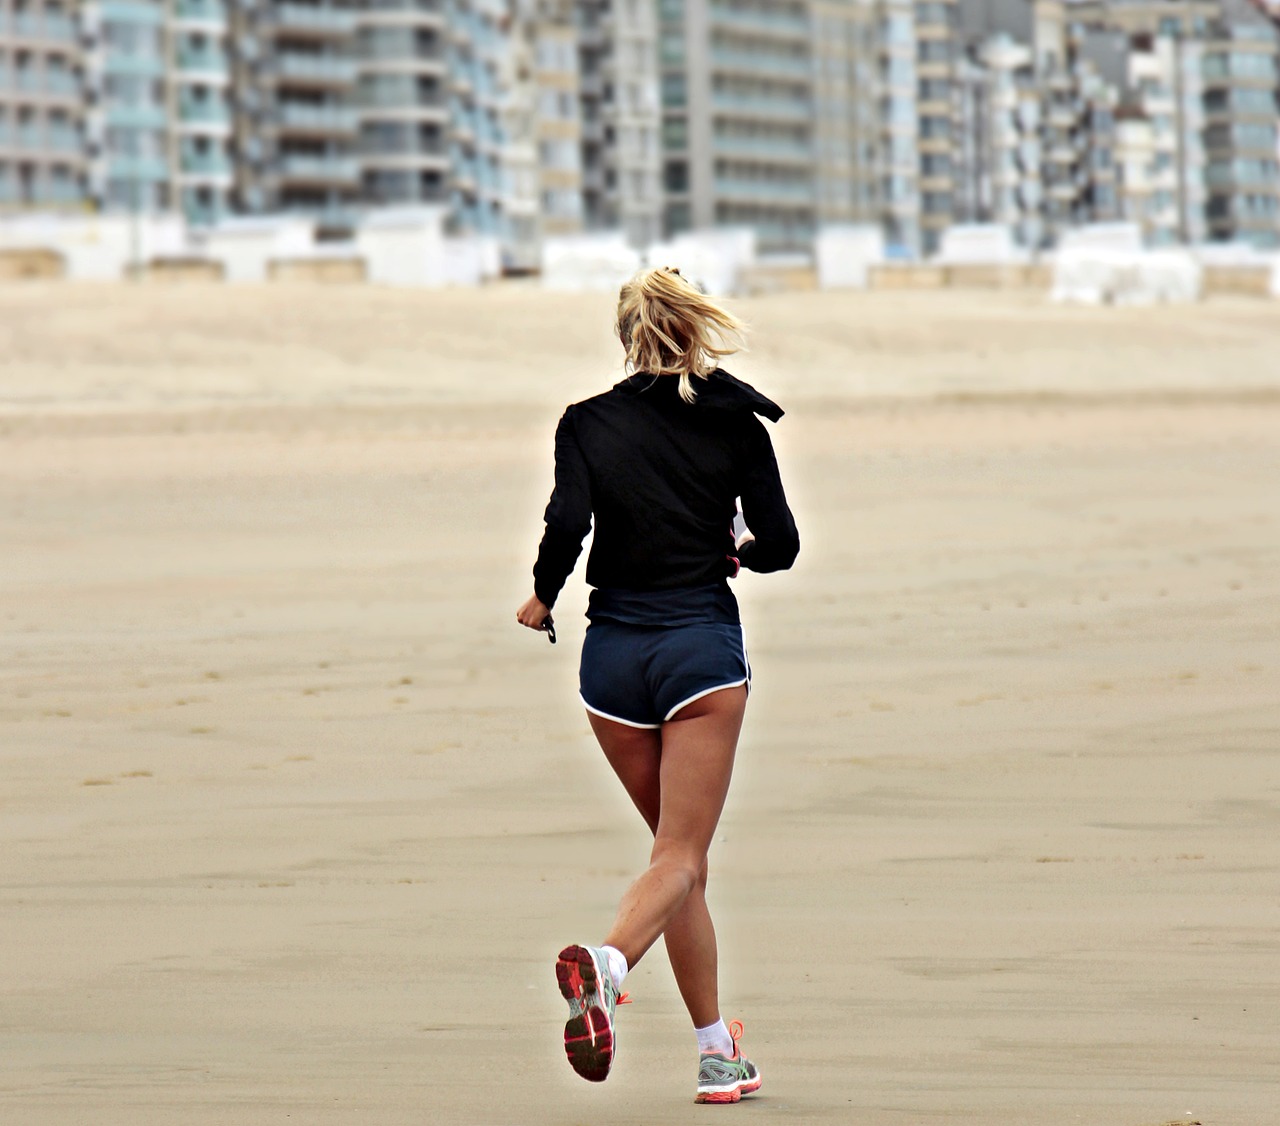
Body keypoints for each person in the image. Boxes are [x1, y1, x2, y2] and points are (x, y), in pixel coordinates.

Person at [515, 266, 799, 1104]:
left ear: (626, 336)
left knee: (679, 865)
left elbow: (567, 522)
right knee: (680, 856)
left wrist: (542, 592)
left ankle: (719, 1054)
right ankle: (605, 966)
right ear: (694, 327)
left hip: (611, 665)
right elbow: (778, 543)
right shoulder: (737, 423)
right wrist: (735, 552)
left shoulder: (586, 422)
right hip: (698, 657)